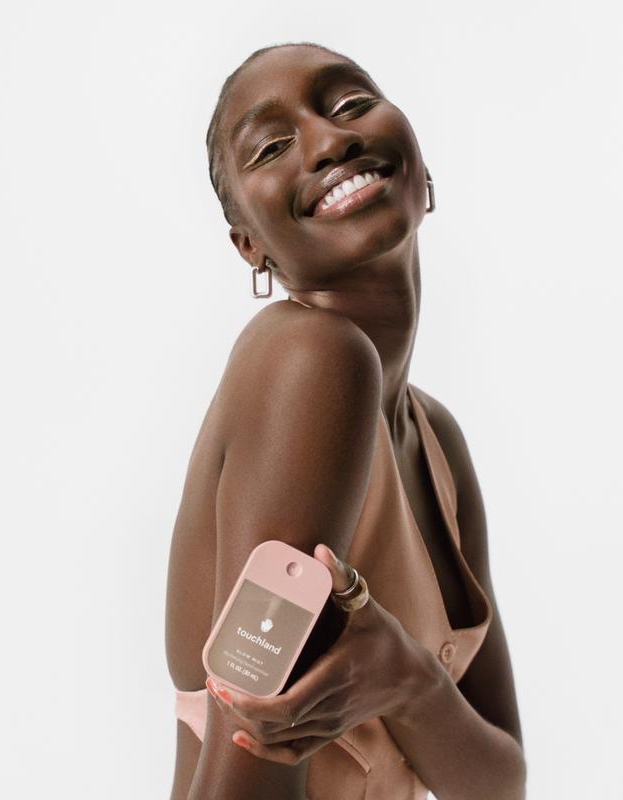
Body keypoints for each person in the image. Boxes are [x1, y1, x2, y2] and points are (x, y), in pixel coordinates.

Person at [165, 41, 526, 800]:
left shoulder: (436, 439)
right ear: (250, 246)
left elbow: (501, 782)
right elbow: (249, 766)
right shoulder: (311, 361)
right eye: (271, 146)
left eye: (352, 105)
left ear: (423, 174)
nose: (330, 142)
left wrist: (408, 679)